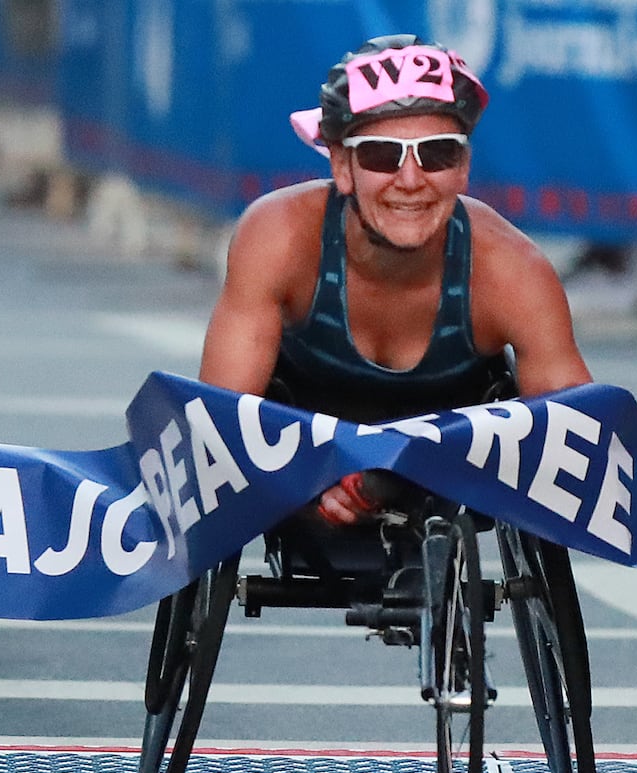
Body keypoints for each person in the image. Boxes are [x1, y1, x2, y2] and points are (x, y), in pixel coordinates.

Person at [196, 34, 591, 527]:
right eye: (382, 155)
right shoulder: (276, 237)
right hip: (298, 441)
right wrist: (298, 482)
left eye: (438, 154)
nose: (409, 180)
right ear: (341, 165)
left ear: (463, 168)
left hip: (452, 452)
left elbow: (579, 441)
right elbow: (217, 424)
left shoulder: (514, 270)